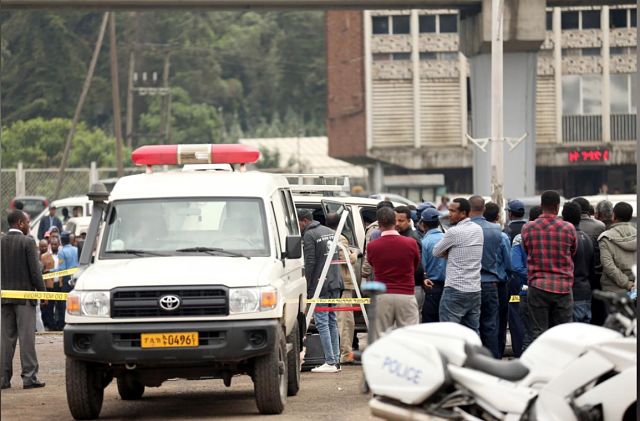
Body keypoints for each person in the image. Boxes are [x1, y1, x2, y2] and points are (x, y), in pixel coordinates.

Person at [521, 190, 577, 342]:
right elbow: (573, 252)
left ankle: (541, 357)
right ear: (557, 206)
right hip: (563, 287)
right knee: (563, 334)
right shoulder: (568, 228)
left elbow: (527, 250)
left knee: (538, 332)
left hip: (537, 286)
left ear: (541, 205)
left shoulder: (528, 228)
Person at [1, 210, 47, 390]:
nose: (29, 225)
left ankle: (3, 379)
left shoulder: (1, 242)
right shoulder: (27, 242)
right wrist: (43, 293)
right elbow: (35, 272)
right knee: (27, 339)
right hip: (25, 298)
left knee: (5, 341)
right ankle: (29, 378)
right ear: (20, 223)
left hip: (5, 298)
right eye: (27, 222)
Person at [298, 209, 343, 373]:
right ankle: (335, 360)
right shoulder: (329, 231)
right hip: (335, 282)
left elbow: (309, 262)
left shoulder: (309, 235)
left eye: (298, 223)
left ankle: (330, 362)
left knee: (322, 322)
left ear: (304, 221)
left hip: (320, 285)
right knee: (331, 321)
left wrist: (307, 284)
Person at [367, 207, 420, 338]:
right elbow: (415, 265)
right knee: (410, 336)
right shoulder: (411, 243)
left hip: (382, 295)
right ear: (395, 222)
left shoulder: (372, 246)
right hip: (406, 294)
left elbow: (372, 265)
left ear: (379, 224)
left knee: (380, 336)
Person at [433, 198, 483, 334]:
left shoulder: (453, 232)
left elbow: (436, 252)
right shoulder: (478, 229)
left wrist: (449, 252)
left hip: (455, 288)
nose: (449, 214)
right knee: (472, 333)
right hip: (474, 289)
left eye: (453, 211)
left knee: (449, 333)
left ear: (463, 213)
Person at [468, 196, 508, 358]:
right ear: (483, 209)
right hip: (491, 283)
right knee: (491, 326)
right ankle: (493, 361)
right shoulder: (496, 231)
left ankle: (474, 360)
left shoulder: (463, 229)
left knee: (472, 325)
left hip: (470, 283)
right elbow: (508, 264)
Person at [325, 213, 358, 365]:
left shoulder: (325, 235)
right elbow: (344, 258)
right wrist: (354, 254)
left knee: (333, 320)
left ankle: (337, 353)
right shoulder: (340, 238)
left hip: (331, 283)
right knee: (345, 321)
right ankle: (345, 354)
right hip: (343, 283)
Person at [509, 206, 542, 356]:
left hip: (524, 288)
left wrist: (531, 276)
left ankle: (524, 357)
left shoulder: (520, 237)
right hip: (550, 288)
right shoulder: (553, 235)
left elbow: (515, 266)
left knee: (525, 326)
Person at [483, 202, 512, 358]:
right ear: (498, 216)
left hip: (478, 282)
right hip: (499, 284)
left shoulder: (477, 232)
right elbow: (508, 264)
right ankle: (497, 355)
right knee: (499, 322)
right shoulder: (502, 236)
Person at [562, 202, 596, 323]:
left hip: (570, 292)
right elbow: (592, 270)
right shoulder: (587, 238)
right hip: (586, 291)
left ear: (563, 217)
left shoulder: (566, 239)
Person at [395, 206, 427, 320]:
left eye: (401, 221)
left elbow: (418, 267)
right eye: (395, 220)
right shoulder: (400, 236)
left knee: (411, 322)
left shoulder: (411, 239)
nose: (397, 223)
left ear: (409, 221)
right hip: (405, 287)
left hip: (412, 287)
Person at [598, 202, 636, 295]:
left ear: (613, 216)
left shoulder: (606, 237)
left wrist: (627, 284)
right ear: (630, 217)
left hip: (613, 292)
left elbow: (609, 266)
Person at [419, 208, 447, 323]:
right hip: (449, 287)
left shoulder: (424, 242)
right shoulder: (447, 238)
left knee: (430, 323)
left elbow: (422, 267)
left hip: (431, 287)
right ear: (438, 222)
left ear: (423, 224)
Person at [361, 200, 394, 282]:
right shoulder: (398, 227)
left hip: (377, 273)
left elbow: (369, 253)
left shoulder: (374, 230)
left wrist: (365, 272)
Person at [54, 231, 79, 331]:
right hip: (77, 277)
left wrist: (52, 272)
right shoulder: (76, 249)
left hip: (67, 278)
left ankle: (65, 322)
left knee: (65, 301)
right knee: (76, 299)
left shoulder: (61, 252)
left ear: (61, 241)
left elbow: (62, 269)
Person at [39, 238, 58, 331]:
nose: (43, 248)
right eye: (41, 246)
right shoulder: (38, 256)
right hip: (42, 284)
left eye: (45, 246)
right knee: (44, 306)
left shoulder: (50, 256)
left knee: (49, 306)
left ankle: (50, 324)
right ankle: (46, 323)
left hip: (50, 284)